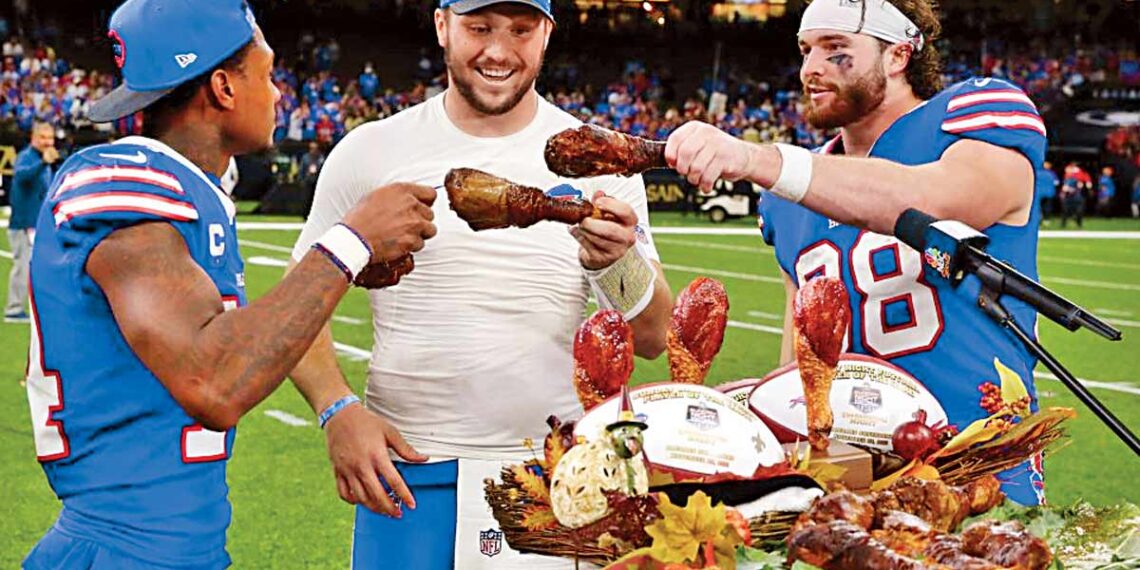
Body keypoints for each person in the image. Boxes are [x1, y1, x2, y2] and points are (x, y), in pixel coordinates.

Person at [22, 1, 436, 568]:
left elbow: (240, 337)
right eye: (266, 74)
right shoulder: (123, 185)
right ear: (222, 86)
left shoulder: (192, 190)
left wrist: (335, 399)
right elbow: (213, 380)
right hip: (126, 548)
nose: (278, 93)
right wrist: (350, 240)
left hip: (173, 544)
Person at [285, 0, 672, 568]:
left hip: (557, 478)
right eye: (479, 27)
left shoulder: (595, 156)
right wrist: (336, 409)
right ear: (442, 25)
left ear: (546, 36)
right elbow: (298, 303)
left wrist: (616, 262)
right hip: (409, 472)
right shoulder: (372, 151)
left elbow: (653, 335)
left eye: (520, 30)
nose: (498, 50)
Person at [666, 0, 1047, 505]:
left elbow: (936, 200)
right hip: (851, 485)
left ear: (898, 54)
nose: (810, 69)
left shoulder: (971, 115)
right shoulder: (787, 199)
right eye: (806, 50)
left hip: (978, 467)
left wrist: (760, 159)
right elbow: (797, 363)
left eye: (835, 49)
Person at [6, 121, 56, 322]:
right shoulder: (27, 157)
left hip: (37, 224)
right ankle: (13, 308)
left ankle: (35, 307)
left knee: (38, 268)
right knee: (22, 267)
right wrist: (43, 162)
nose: (47, 142)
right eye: (43, 138)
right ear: (33, 138)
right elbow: (21, 176)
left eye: (50, 138)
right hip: (24, 224)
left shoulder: (45, 161)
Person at [1060, 162, 1088, 228]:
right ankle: (1063, 224)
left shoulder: (1076, 178)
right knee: (1065, 211)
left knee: (1079, 211)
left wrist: (1072, 189)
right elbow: (1064, 188)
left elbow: (1080, 186)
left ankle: (1079, 224)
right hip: (1068, 198)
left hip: (1077, 198)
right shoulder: (1066, 179)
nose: (1067, 172)